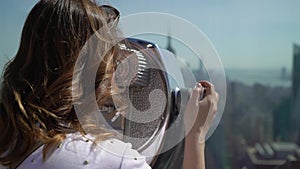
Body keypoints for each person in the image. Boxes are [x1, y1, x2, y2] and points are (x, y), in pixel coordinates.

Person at [0, 0, 219, 169]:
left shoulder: (10, 137)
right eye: (112, 57)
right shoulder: (111, 160)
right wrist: (196, 134)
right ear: (96, 70)